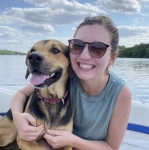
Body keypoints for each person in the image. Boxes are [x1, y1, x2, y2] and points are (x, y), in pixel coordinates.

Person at [11, 15, 132, 150]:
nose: (84, 56)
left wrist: (74, 141)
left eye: (98, 48)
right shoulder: (65, 76)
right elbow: (21, 93)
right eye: (78, 46)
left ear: (112, 58)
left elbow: (111, 147)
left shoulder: (120, 92)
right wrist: (17, 117)